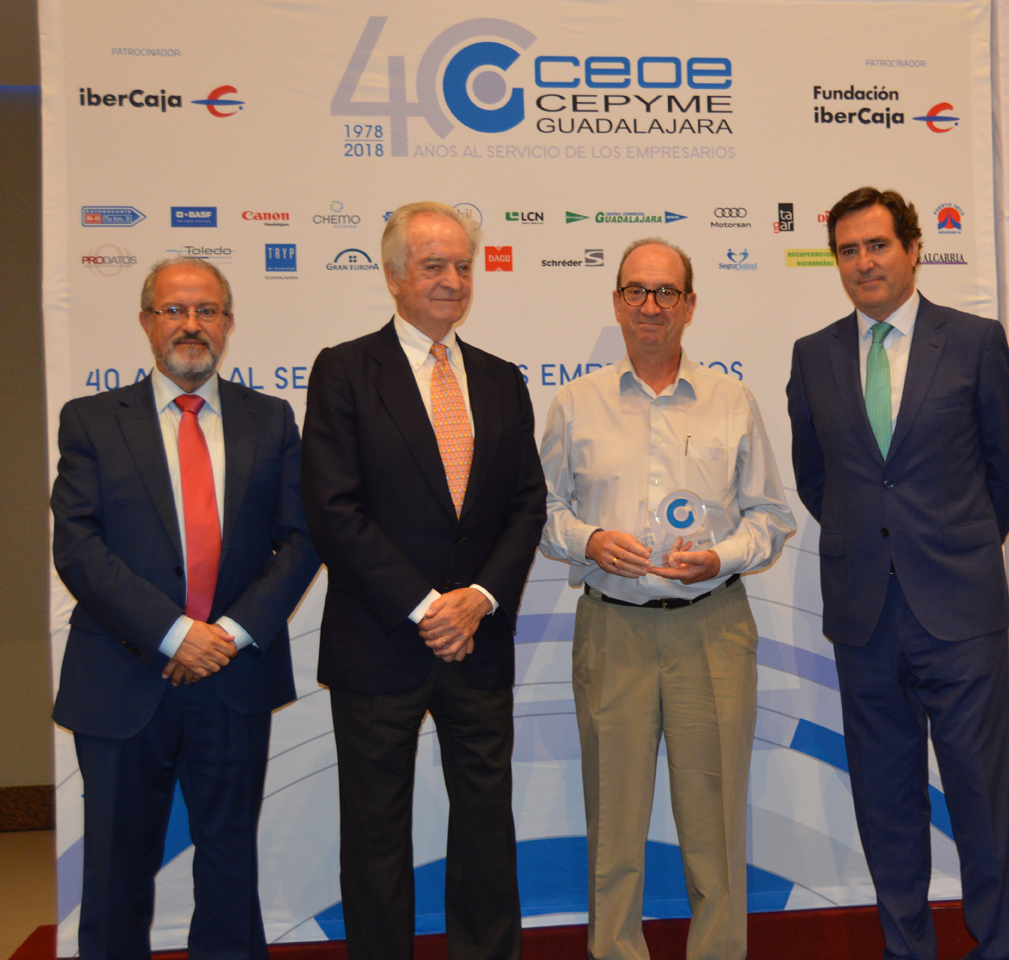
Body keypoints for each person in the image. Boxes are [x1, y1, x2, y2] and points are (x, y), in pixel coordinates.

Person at [786, 188, 1009, 960]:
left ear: (913, 249)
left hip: (960, 612)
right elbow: (817, 479)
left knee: (980, 795)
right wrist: (873, 545)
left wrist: (957, 545)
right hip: (865, 615)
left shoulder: (975, 342)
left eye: (878, 245)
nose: (864, 262)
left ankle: (1000, 948)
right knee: (886, 801)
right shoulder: (813, 355)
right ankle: (907, 949)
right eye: (848, 250)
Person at [51, 257, 320, 960]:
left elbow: (301, 540)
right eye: (174, 310)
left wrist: (224, 636)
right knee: (115, 870)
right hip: (121, 677)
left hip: (233, 676)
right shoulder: (90, 421)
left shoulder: (271, 419)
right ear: (147, 321)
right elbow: (78, 546)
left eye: (207, 310)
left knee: (230, 865)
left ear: (228, 323)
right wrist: (174, 635)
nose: (191, 325)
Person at [300, 201, 546, 960]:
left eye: (463, 266)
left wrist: (479, 600)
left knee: (486, 829)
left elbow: (526, 504)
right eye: (434, 265)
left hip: (480, 640)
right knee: (376, 835)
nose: (452, 280)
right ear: (394, 276)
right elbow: (334, 510)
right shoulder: (345, 370)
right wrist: (427, 606)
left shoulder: (501, 379)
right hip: (380, 643)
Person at [539, 238, 795, 960]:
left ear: (689, 305)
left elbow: (771, 518)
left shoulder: (731, 401)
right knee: (613, 828)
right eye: (637, 291)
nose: (650, 306)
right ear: (617, 302)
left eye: (666, 292)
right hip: (612, 630)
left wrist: (721, 557)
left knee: (715, 829)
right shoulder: (575, 403)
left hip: (711, 630)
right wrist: (590, 541)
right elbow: (543, 513)